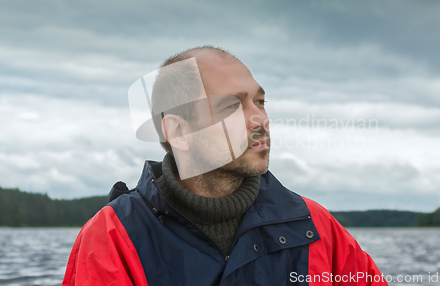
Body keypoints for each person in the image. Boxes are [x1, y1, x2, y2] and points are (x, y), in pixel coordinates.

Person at [62, 46, 388, 285]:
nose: (260, 119)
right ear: (179, 131)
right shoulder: (113, 237)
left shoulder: (316, 226)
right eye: (232, 106)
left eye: (259, 101)